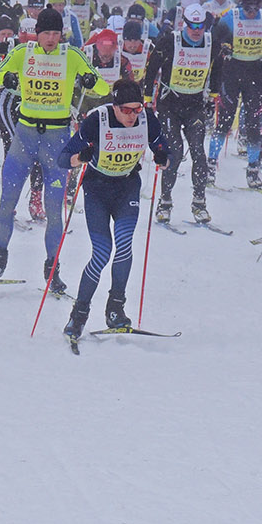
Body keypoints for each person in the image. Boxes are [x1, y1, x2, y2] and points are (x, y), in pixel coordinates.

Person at [0, 8, 110, 292]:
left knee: (54, 210)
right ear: (37, 33)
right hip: (24, 137)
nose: (50, 39)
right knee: (6, 203)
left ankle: (53, 268)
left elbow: (102, 87)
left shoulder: (72, 55)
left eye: (55, 33)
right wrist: (7, 79)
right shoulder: (23, 53)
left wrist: (90, 80)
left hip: (57, 140)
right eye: (45, 33)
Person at [59, 78, 169, 339]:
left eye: (137, 108)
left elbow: (162, 145)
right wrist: (80, 157)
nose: (133, 115)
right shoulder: (97, 120)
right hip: (97, 189)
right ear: (115, 106)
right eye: (127, 110)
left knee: (124, 244)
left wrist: (163, 156)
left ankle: (115, 309)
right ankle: (79, 314)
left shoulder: (146, 118)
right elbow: (64, 158)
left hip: (127, 188)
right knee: (101, 253)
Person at [144, 3, 227, 225]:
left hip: (195, 104)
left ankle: (199, 203)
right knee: (175, 152)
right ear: (185, 24)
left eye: (200, 26)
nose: (196, 30)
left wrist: (213, 98)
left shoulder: (211, 44)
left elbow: (218, 70)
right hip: (169, 104)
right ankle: (165, 202)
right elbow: (151, 68)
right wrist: (146, 98)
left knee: (199, 152)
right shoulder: (170, 41)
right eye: (192, 26)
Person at [209, 0, 262, 188]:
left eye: (254, 9)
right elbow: (216, 35)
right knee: (225, 121)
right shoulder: (232, 16)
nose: (251, 13)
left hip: (254, 73)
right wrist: (224, 44)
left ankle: (253, 169)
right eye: (247, 9)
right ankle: (211, 165)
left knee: (253, 123)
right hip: (232, 71)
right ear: (242, 6)